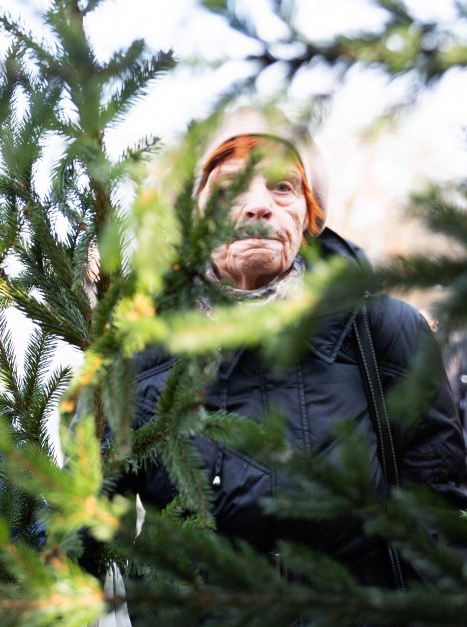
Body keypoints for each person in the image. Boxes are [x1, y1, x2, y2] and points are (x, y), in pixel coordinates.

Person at [128, 108, 467, 589]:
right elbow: (90, 532)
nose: (257, 205)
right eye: (229, 188)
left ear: (309, 215)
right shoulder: (142, 352)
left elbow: (438, 528)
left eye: (282, 187)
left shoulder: (386, 332)